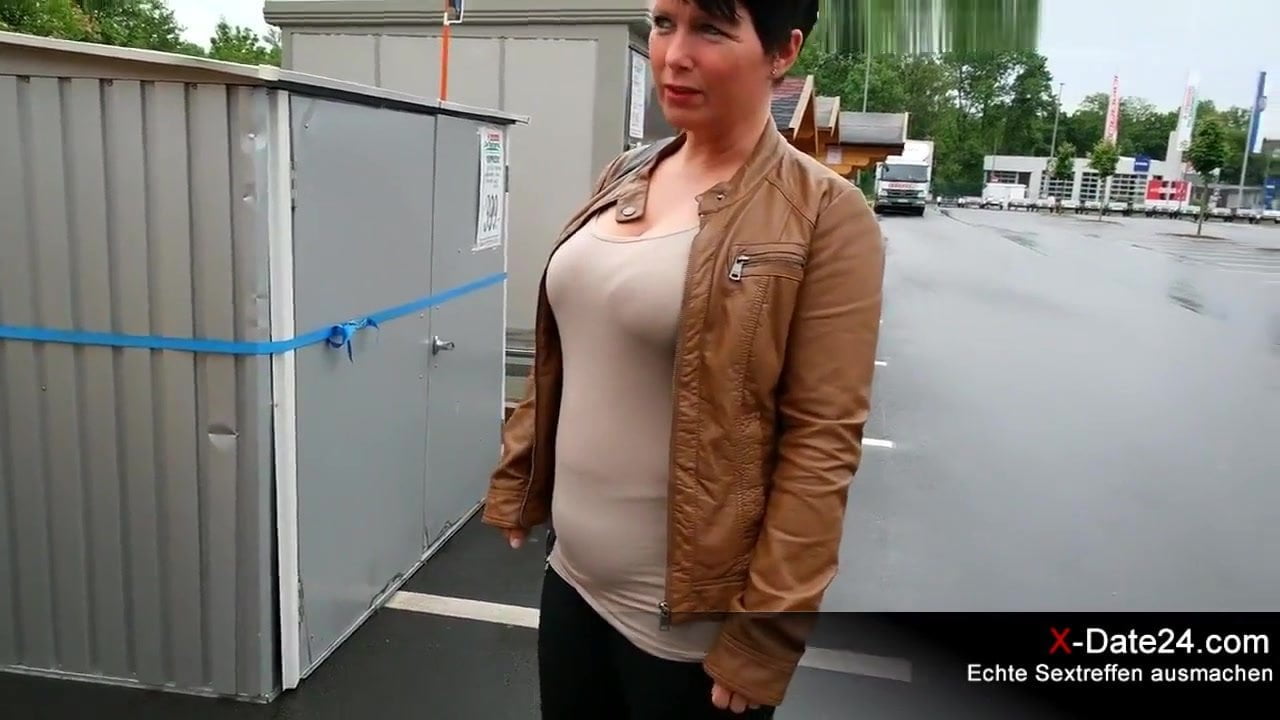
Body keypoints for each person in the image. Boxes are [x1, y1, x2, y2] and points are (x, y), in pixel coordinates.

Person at [482, 0, 885, 716]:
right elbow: (570, 346)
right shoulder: (629, 172)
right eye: (665, 23)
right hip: (570, 577)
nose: (674, 54)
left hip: (687, 633)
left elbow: (821, 444)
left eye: (711, 29)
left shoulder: (824, 212)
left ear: (782, 51)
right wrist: (521, 472)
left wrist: (766, 637)